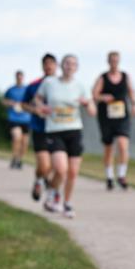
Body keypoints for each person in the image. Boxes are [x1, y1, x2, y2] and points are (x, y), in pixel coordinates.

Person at [34, 54, 96, 218]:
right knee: (61, 169)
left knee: (73, 172)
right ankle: (52, 195)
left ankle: (66, 203)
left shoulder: (81, 85)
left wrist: (87, 103)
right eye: (67, 63)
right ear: (61, 66)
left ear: (77, 67)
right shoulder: (49, 83)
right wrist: (42, 107)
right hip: (55, 131)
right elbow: (37, 99)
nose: (70, 66)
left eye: (73, 64)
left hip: (74, 130)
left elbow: (92, 111)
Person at [92, 51, 135, 190]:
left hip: (122, 115)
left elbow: (131, 91)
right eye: (111, 60)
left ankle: (121, 175)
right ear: (108, 61)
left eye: (116, 60)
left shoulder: (125, 76)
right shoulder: (102, 78)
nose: (114, 63)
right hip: (106, 116)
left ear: (119, 61)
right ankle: (109, 177)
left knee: (123, 144)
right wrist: (103, 97)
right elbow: (94, 94)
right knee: (108, 148)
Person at [23, 54, 57, 201]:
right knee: (44, 164)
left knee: (56, 164)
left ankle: (45, 181)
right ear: (42, 66)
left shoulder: (63, 84)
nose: (49, 66)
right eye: (46, 64)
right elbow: (24, 104)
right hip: (40, 128)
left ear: (56, 66)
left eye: (51, 63)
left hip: (58, 129)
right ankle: (39, 180)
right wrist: (35, 110)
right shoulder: (34, 86)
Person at [2, 70, 32, 169]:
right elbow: (3, 101)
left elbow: (33, 102)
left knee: (25, 142)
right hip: (14, 118)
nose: (19, 79)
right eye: (17, 77)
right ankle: (14, 158)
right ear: (16, 78)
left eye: (21, 77)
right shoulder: (10, 90)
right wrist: (9, 103)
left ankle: (19, 159)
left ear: (23, 78)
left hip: (26, 119)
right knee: (17, 138)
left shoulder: (27, 89)